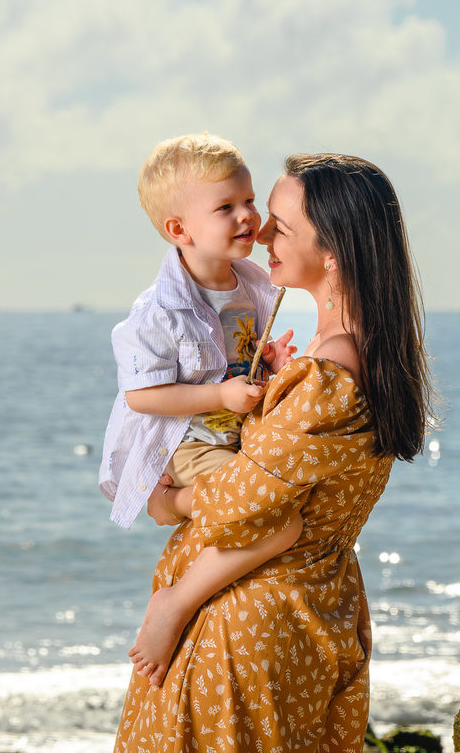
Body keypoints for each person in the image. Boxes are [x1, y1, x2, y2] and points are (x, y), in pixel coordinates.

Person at [115, 153, 433, 752]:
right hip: (313, 611)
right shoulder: (349, 356)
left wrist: (173, 506)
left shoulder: (330, 374)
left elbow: (246, 503)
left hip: (250, 626)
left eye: (280, 226)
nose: (259, 232)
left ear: (333, 252)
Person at [98, 133, 301, 682]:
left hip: (232, 435)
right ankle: (176, 586)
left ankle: (174, 505)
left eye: (250, 201)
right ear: (179, 231)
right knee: (279, 525)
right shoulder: (159, 310)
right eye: (225, 208)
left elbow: (244, 360)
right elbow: (142, 396)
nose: (247, 218)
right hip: (188, 441)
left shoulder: (253, 284)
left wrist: (270, 362)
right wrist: (219, 396)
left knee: (285, 496)